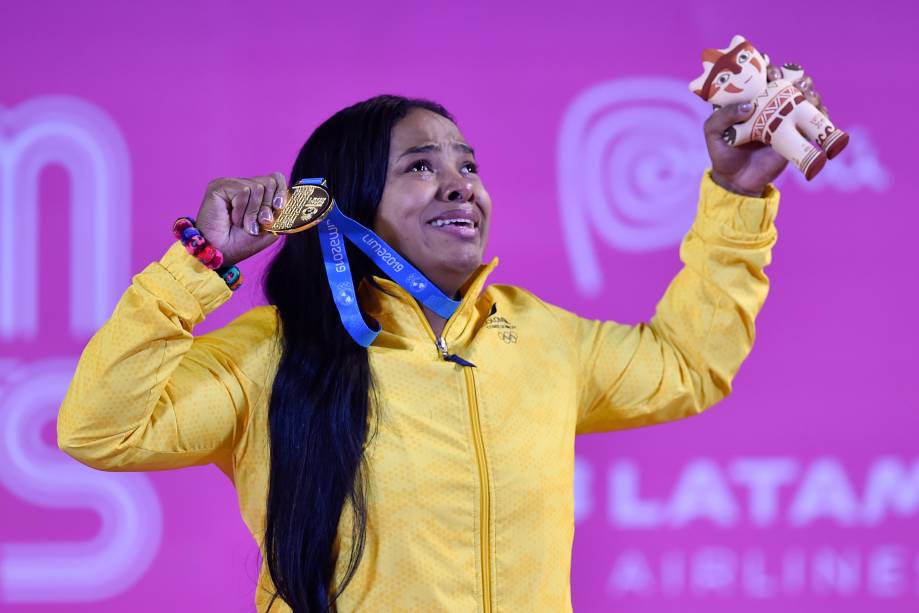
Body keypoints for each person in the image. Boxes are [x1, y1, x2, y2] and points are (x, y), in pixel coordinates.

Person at [57, 73, 826, 612]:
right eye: (419, 168)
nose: (461, 185)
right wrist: (197, 266)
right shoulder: (271, 355)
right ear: (344, 204)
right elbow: (101, 429)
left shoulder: (539, 337)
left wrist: (736, 195)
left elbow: (685, 365)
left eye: (467, 165)